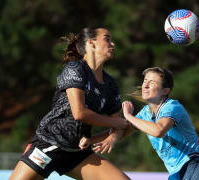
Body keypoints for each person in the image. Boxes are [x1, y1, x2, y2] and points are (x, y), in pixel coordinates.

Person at [9, 27, 130, 180]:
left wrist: (113, 136)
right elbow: (79, 113)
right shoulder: (75, 68)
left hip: (78, 153)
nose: (113, 44)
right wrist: (116, 124)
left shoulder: (111, 83)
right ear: (92, 43)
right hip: (49, 145)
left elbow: (118, 126)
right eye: (107, 38)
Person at [120, 67, 199, 180]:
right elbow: (121, 133)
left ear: (165, 91)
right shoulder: (145, 113)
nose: (145, 85)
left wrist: (128, 116)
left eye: (152, 82)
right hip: (176, 173)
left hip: (193, 164)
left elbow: (158, 130)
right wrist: (99, 139)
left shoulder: (172, 106)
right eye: (145, 81)